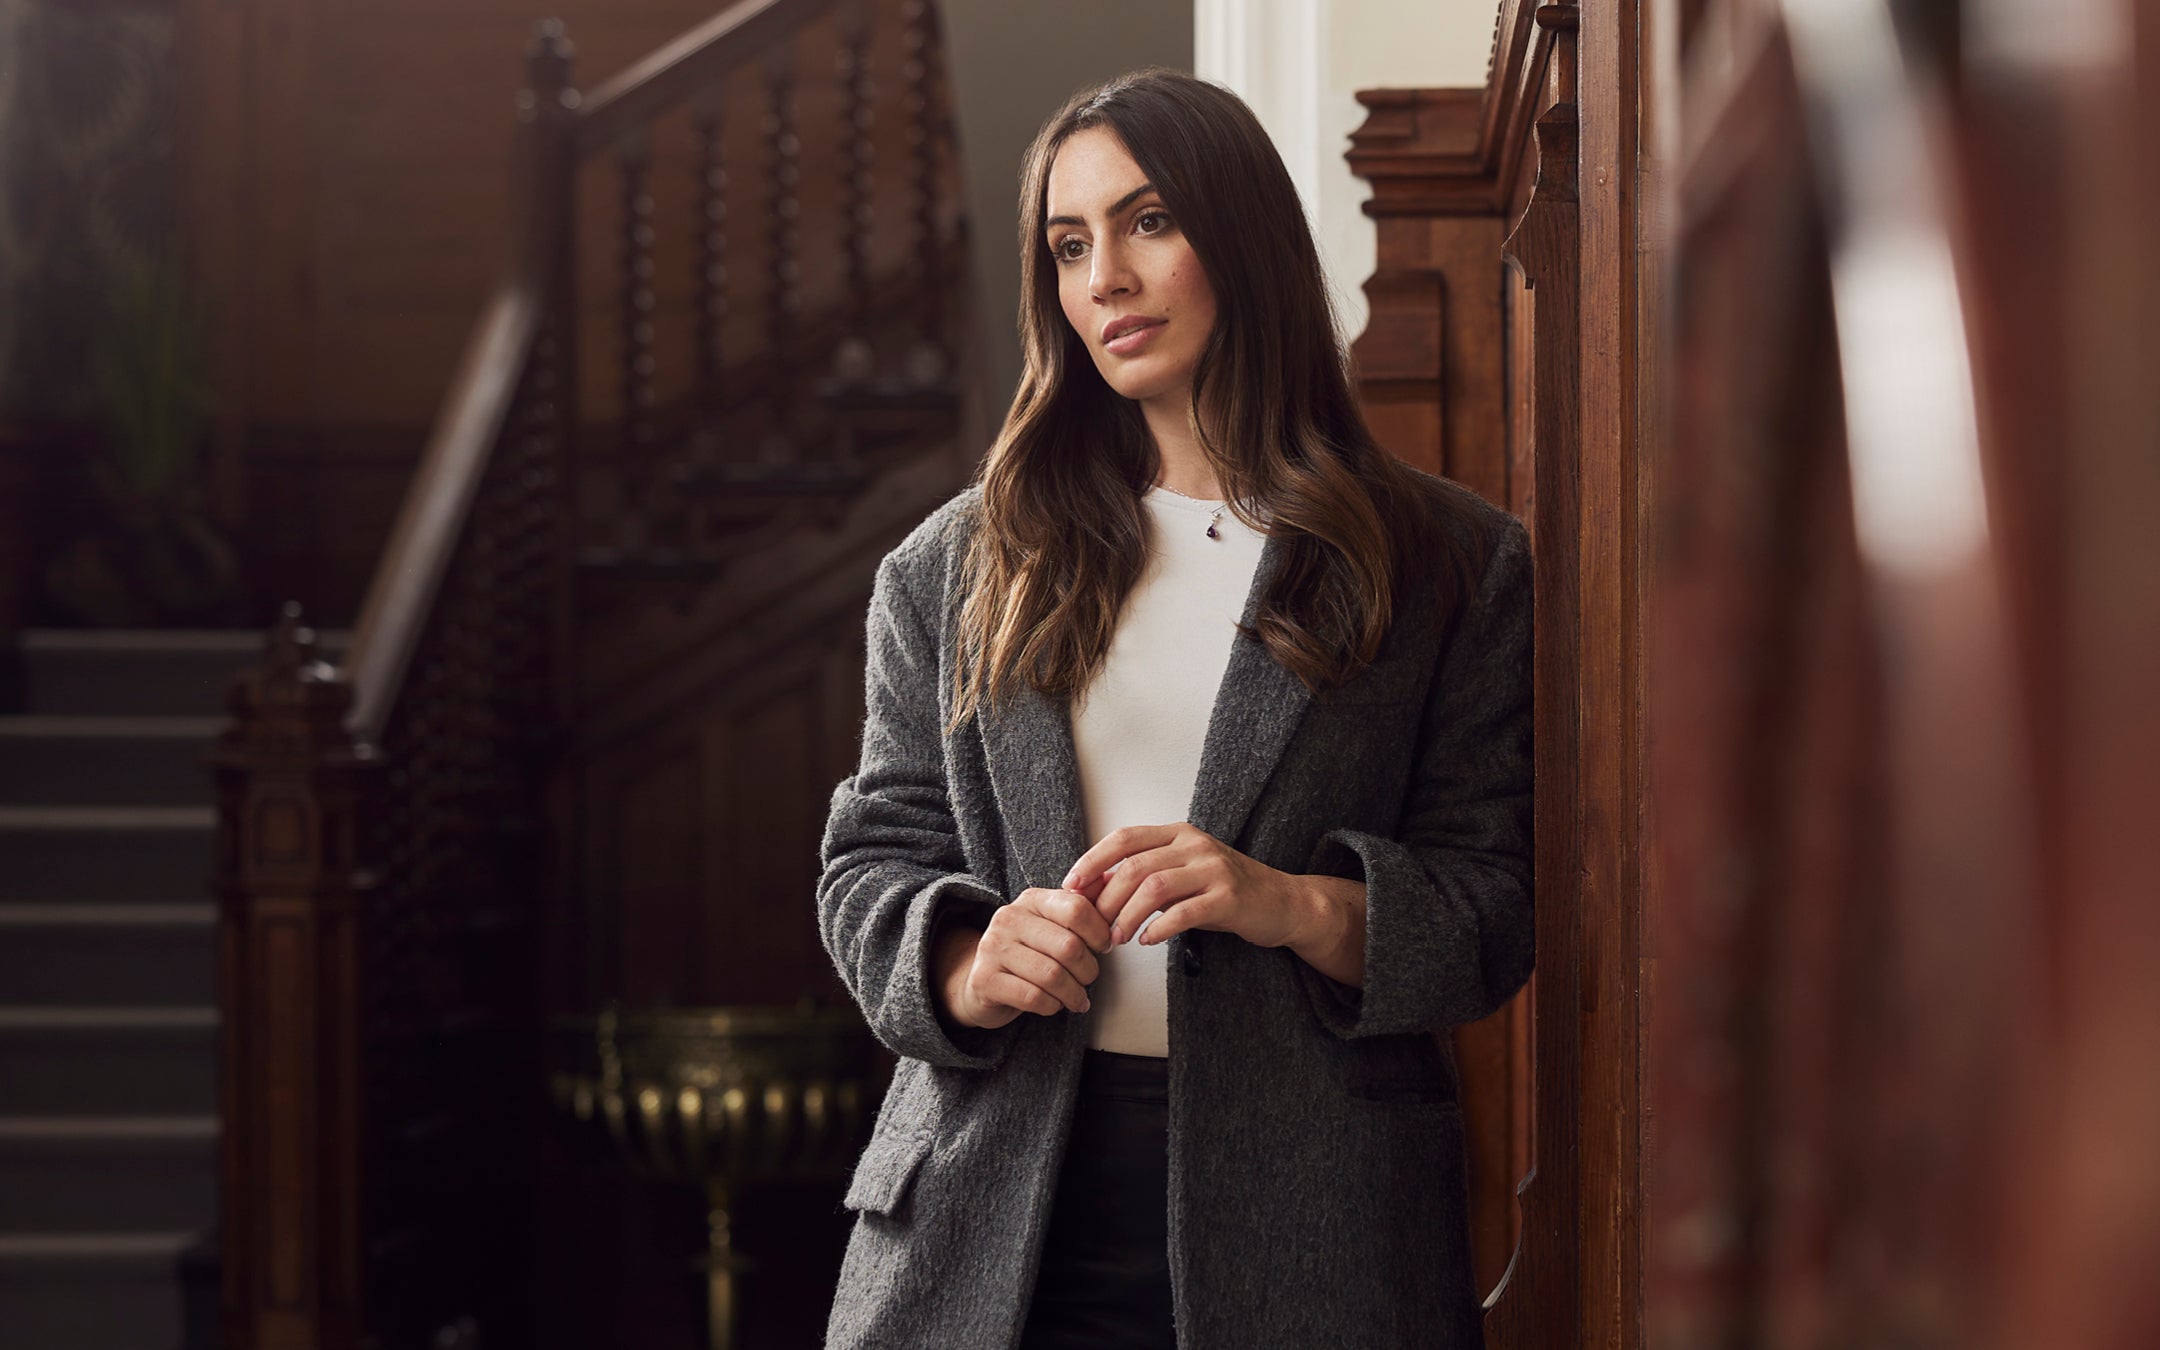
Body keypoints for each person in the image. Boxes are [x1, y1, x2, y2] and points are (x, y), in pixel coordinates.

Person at [817, 67, 1534, 1350]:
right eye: (1070, 245)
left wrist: (1292, 901)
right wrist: (964, 959)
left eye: (1149, 223)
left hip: (1318, 1224)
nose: (1107, 279)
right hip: (987, 1213)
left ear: (1241, 235)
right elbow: (871, 858)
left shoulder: (1446, 562)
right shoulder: (954, 564)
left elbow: (1496, 903)